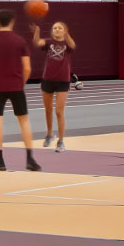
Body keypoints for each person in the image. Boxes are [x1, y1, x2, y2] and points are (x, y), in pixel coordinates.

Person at [0, 9, 41, 172]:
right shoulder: (20, 41)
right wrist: (21, 82)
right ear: (12, 22)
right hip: (16, 85)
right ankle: (30, 159)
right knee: (24, 121)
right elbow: (27, 68)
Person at [31, 20, 76, 152]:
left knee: (59, 111)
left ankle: (61, 141)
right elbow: (37, 42)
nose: (56, 30)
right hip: (48, 80)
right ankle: (50, 134)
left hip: (63, 81)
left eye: (59, 28)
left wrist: (67, 34)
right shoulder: (48, 42)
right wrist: (37, 32)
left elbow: (72, 44)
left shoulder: (67, 43)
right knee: (48, 109)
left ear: (64, 30)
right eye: (54, 28)